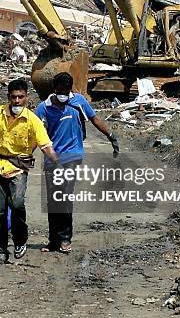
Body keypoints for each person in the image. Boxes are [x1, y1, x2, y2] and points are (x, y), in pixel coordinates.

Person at [35, 72, 119, 254]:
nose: (63, 94)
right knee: (53, 200)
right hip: (52, 158)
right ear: (54, 89)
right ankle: (53, 240)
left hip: (73, 156)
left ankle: (65, 238)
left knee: (64, 197)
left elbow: (95, 119)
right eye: (59, 90)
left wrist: (110, 136)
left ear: (70, 89)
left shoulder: (78, 102)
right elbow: (34, 132)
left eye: (66, 90)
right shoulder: (44, 108)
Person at [0, 79, 61, 264]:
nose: (16, 101)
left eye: (20, 97)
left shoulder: (32, 120)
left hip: (18, 167)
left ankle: (20, 240)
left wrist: (57, 164)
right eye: (13, 97)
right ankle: (0, 249)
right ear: (8, 97)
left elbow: (45, 145)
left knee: (16, 205)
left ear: (26, 98)